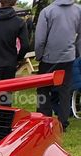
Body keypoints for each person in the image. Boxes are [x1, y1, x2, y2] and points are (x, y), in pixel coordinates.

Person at [36, 0, 81, 130]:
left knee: (43, 90)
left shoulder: (47, 12)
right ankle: (63, 122)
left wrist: (39, 55)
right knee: (65, 90)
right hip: (68, 57)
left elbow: (40, 39)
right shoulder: (78, 10)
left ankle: (45, 120)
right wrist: (76, 52)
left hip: (49, 58)